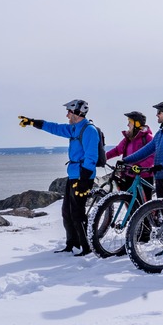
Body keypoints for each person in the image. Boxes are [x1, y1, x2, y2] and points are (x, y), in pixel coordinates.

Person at [18, 99, 100, 255]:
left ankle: (86, 247)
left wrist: (84, 179)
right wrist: (33, 122)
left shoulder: (89, 130)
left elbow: (91, 156)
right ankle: (72, 244)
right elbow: (54, 128)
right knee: (66, 212)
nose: (67, 114)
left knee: (78, 213)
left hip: (83, 177)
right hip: (73, 175)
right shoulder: (73, 129)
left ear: (78, 112)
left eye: (69, 111)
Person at [121, 101, 163, 202]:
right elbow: (145, 151)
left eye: (159, 112)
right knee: (161, 209)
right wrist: (125, 160)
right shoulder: (160, 133)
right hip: (159, 176)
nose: (157, 115)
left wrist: (162, 165)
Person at [105, 111, 154, 197]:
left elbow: (152, 156)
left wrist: (139, 167)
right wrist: (103, 157)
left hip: (144, 176)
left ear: (137, 124)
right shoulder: (128, 138)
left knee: (144, 206)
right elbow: (117, 150)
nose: (128, 125)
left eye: (130, 122)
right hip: (128, 175)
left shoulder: (147, 138)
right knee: (129, 204)